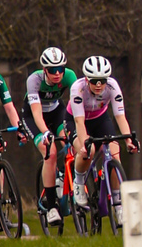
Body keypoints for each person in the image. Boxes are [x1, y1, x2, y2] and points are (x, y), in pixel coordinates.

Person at [69, 53, 135, 206]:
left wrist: (128, 140)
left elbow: (120, 117)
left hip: (100, 119)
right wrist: (84, 142)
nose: (99, 85)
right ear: (86, 80)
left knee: (114, 153)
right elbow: (79, 122)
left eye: (102, 81)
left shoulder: (113, 86)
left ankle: (118, 202)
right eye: (94, 81)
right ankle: (78, 183)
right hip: (77, 121)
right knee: (88, 151)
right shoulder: (77, 89)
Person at [25, 47, 75, 222]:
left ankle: (66, 177)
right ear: (45, 70)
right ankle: (52, 207)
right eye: (53, 70)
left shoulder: (69, 76)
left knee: (73, 143)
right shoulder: (34, 80)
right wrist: (46, 132)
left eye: (60, 69)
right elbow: (37, 113)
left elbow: (76, 105)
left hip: (56, 111)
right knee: (51, 152)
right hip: (34, 116)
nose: (57, 74)